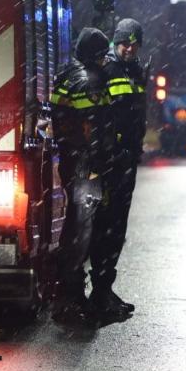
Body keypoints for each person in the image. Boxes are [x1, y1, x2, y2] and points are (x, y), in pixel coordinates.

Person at [50, 27, 118, 326]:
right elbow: (94, 128)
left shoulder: (65, 76)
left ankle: (67, 293)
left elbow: (61, 119)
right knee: (82, 230)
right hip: (85, 164)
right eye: (103, 56)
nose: (105, 62)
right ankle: (71, 297)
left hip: (70, 159)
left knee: (73, 226)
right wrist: (102, 161)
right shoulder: (89, 81)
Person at [88, 18, 148, 319]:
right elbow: (101, 116)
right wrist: (110, 153)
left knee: (117, 227)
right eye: (124, 43)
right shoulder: (108, 70)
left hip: (127, 160)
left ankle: (105, 289)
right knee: (106, 227)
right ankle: (99, 293)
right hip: (112, 163)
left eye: (134, 44)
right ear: (115, 42)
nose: (129, 49)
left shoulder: (134, 71)